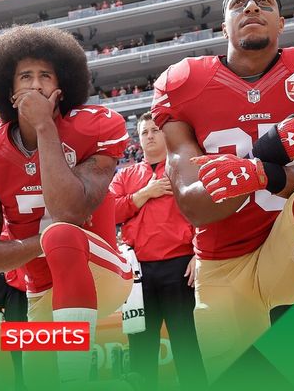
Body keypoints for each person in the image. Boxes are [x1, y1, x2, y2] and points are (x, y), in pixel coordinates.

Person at [151, 0, 294, 380]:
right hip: (222, 264)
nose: (251, 7)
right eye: (239, 3)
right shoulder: (184, 83)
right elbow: (195, 206)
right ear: (223, 27)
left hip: (290, 246)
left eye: (264, 2)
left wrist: (258, 170)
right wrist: (270, 149)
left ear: (281, 22)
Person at [0, 25, 132, 388]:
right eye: (25, 77)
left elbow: (69, 211)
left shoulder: (93, 128)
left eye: (44, 76)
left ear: (61, 88)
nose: (35, 85)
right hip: (40, 290)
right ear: (8, 91)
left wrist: (44, 127)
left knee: (63, 233)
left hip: (101, 274)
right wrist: (40, 244)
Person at [109, 112, 207, 389]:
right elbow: (109, 212)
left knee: (188, 343)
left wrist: (198, 253)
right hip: (138, 274)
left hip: (179, 267)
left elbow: (204, 210)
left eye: (155, 130)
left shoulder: (184, 168)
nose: (150, 135)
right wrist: (144, 194)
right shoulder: (126, 174)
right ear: (138, 139)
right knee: (140, 347)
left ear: (165, 134)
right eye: (144, 132)